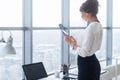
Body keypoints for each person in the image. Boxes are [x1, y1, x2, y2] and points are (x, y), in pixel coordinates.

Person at [64, 0, 103, 80]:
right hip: (93, 63)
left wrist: (74, 45)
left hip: (86, 67)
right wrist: (75, 43)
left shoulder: (90, 28)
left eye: (82, 14)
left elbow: (84, 53)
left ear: (87, 13)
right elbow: (95, 47)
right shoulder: (99, 26)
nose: (81, 16)